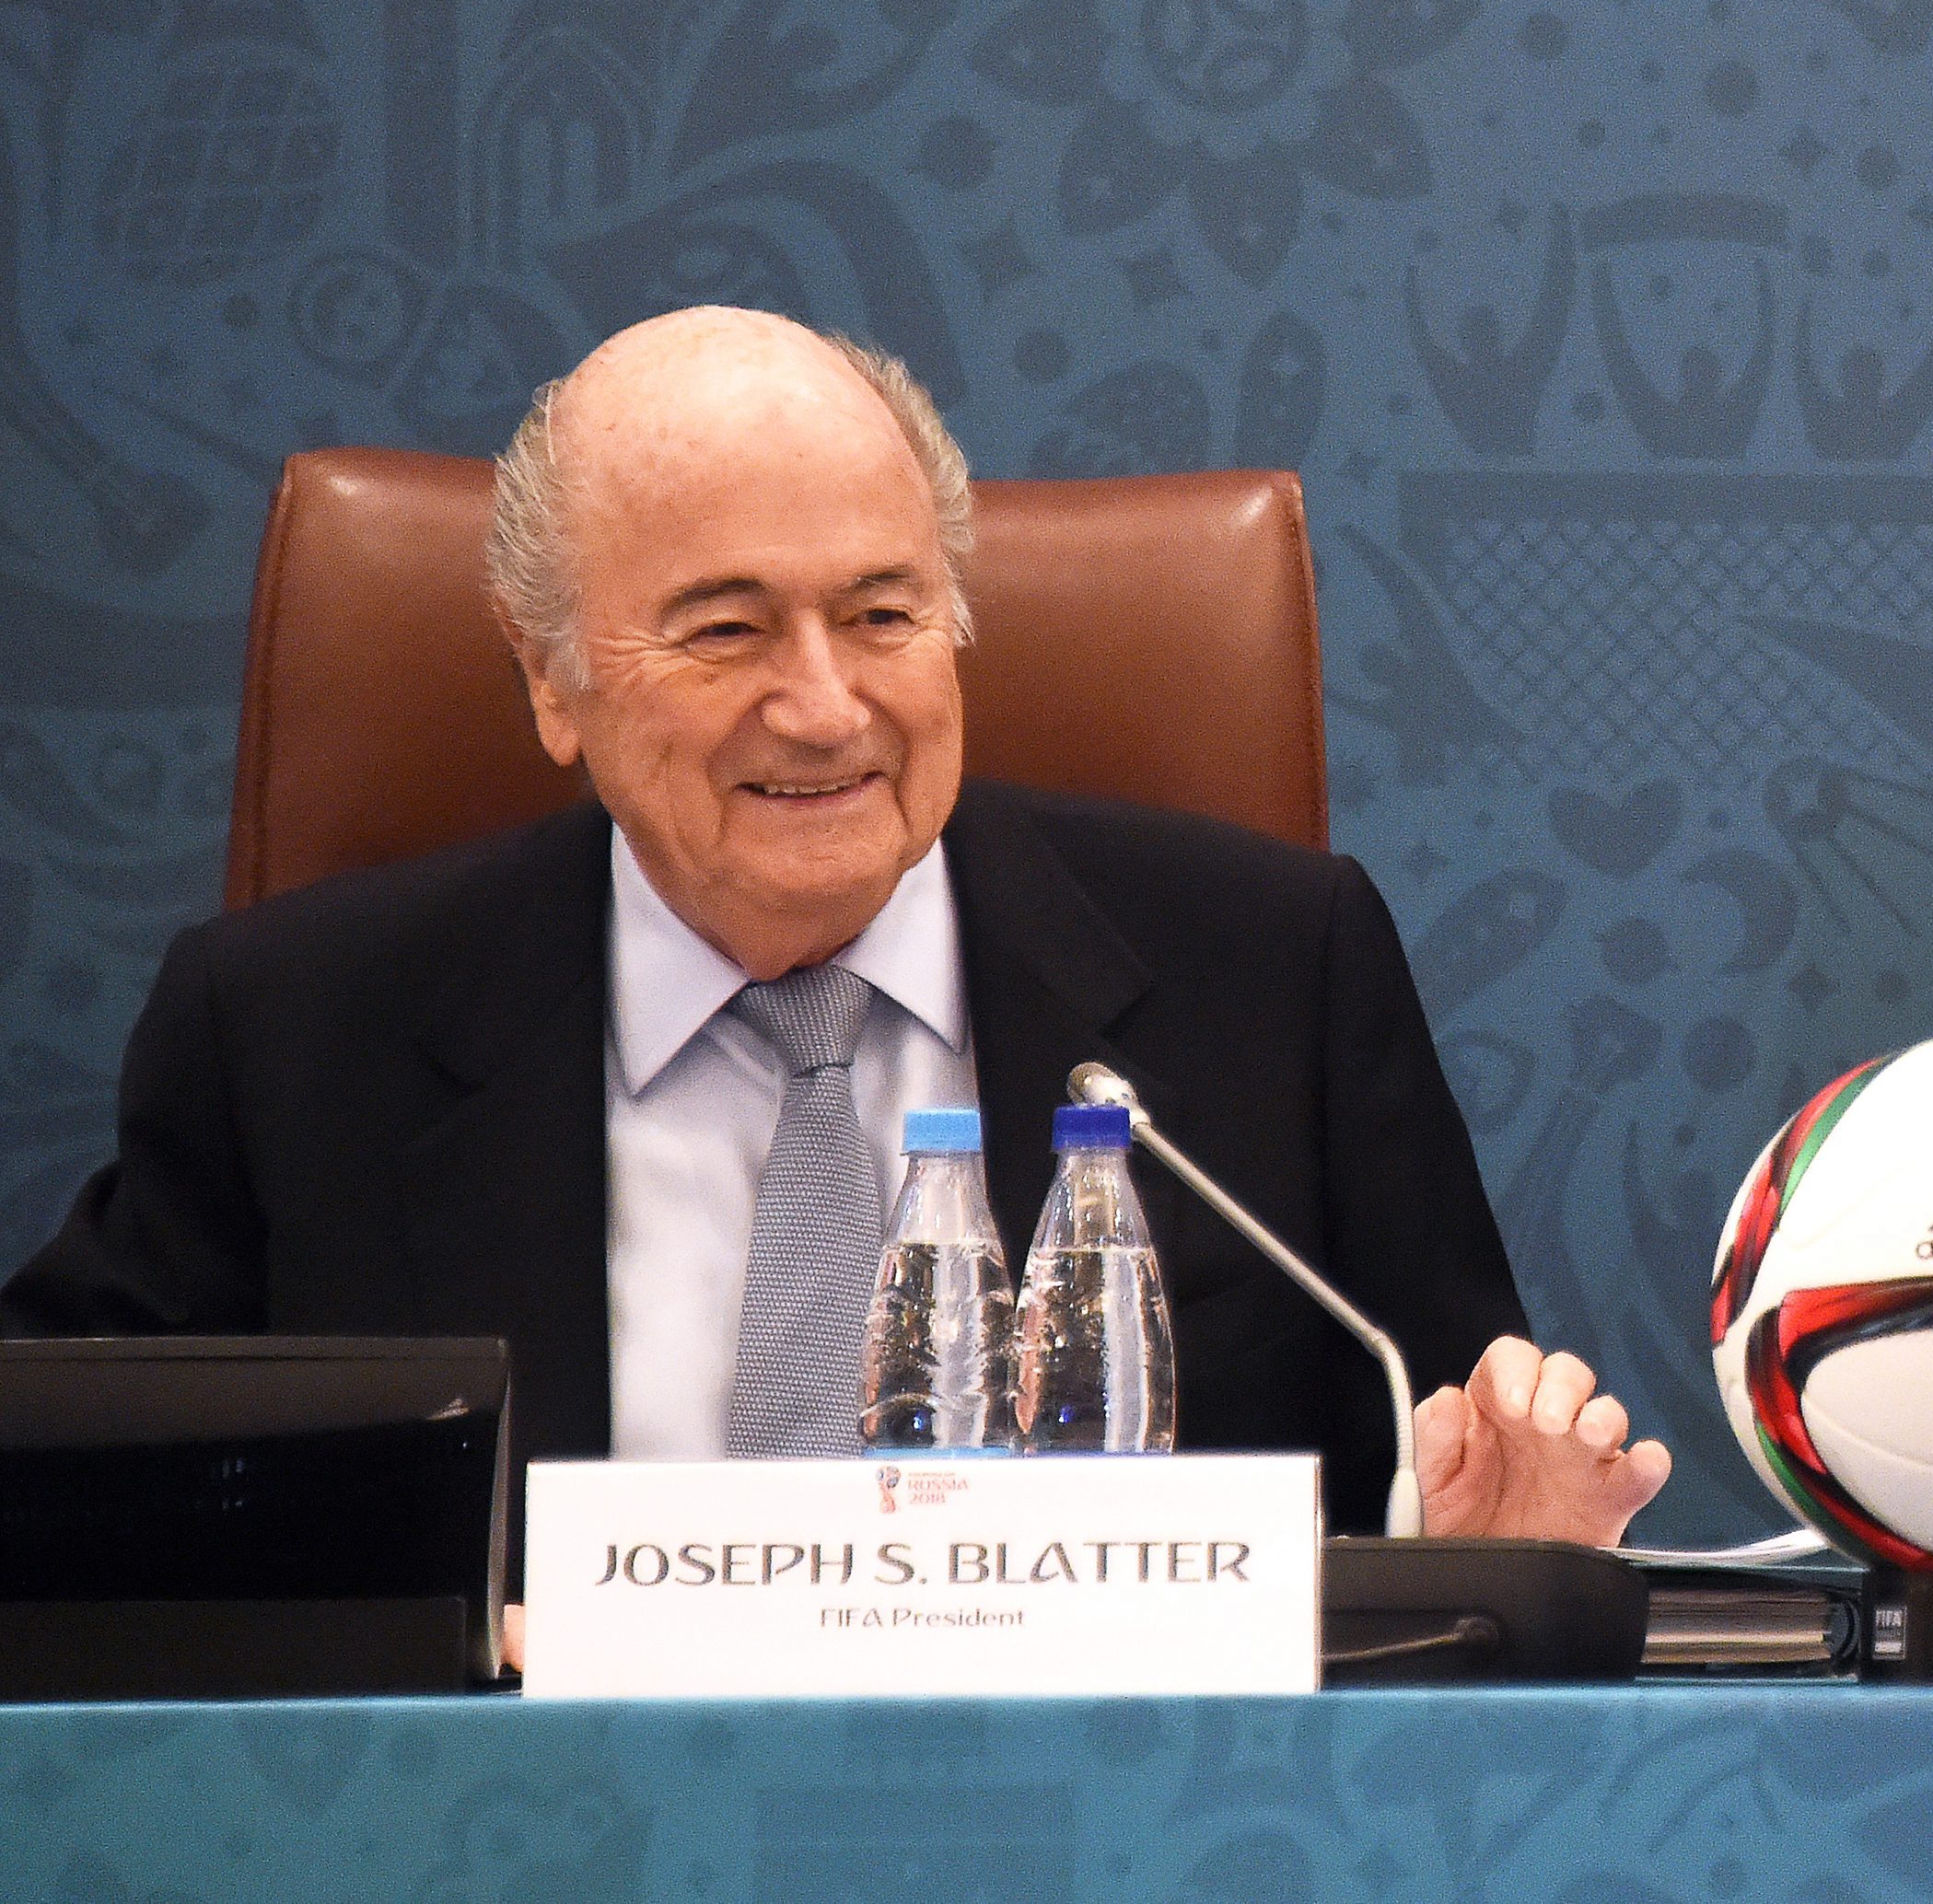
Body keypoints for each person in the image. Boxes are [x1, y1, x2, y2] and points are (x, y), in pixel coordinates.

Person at [5, 306, 1671, 1548]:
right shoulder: (296, 1033)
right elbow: (66, 1507)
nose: (824, 708)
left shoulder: (1271, 972)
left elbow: (1446, 1498)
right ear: (550, 679)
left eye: (883, 614)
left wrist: (1502, 1554)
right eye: (724, 631)